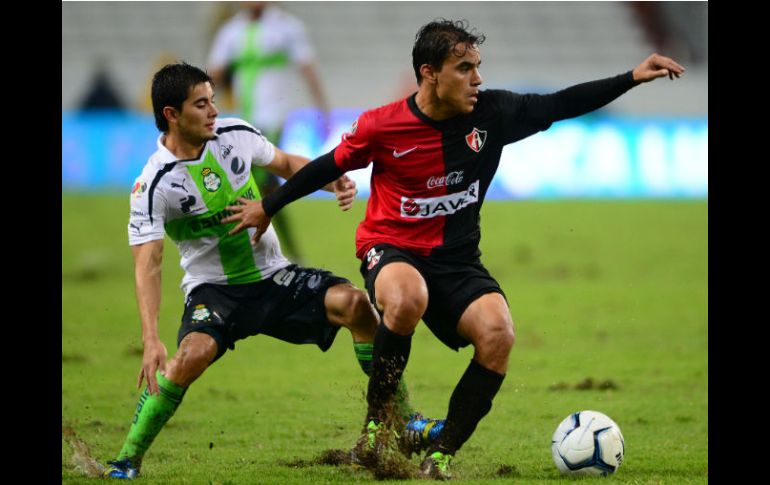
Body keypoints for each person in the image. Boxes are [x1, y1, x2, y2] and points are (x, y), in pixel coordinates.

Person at [221, 19, 685, 480]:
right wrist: (269, 204)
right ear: (429, 73)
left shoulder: (492, 114)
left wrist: (631, 77)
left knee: (499, 333)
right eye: (464, 68)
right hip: (392, 245)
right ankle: (378, 427)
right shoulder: (382, 125)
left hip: (458, 259)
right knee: (405, 298)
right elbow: (328, 163)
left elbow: (560, 104)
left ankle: (441, 453)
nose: (477, 79)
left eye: (477, 67)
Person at [101, 62, 430, 480]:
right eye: (201, 104)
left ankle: (404, 420)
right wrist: (150, 338)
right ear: (171, 114)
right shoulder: (154, 184)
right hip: (215, 290)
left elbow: (287, 163)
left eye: (213, 101)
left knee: (356, 305)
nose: (213, 111)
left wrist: (334, 182)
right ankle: (127, 460)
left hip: (274, 277)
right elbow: (148, 263)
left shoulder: (235, 135)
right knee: (191, 356)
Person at [207, 1, 329, 262]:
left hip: (274, 120)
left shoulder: (287, 27)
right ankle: (281, 251)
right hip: (243, 121)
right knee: (263, 187)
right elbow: (212, 76)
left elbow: (308, 69)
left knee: (259, 183)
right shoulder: (231, 31)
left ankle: (266, 250)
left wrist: (323, 111)